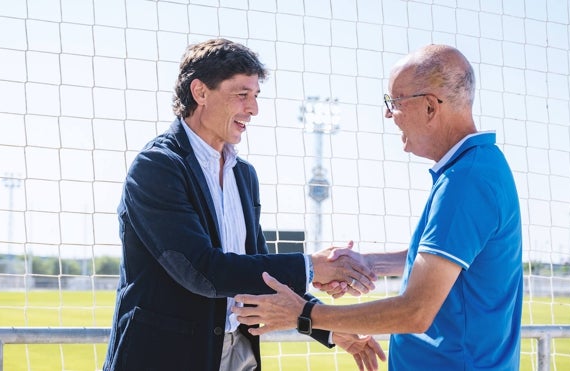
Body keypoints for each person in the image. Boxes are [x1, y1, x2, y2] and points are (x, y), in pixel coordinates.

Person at [232, 44, 523, 370]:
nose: (388, 114)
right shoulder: (477, 167)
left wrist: (304, 314)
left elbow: (415, 312)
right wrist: (365, 264)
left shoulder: (466, 180)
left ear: (429, 107)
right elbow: (441, 262)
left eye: (394, 102)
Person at [102, 38, 385, 371]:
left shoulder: (244, 175)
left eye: (255, 96)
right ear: (200, 92)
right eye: (242, 95)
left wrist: (328, 327)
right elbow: (202, 271)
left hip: (239, 355)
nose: (253, 109)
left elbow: (258, 275)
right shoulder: (157, 166)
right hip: (164, 357)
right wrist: (313, 267)